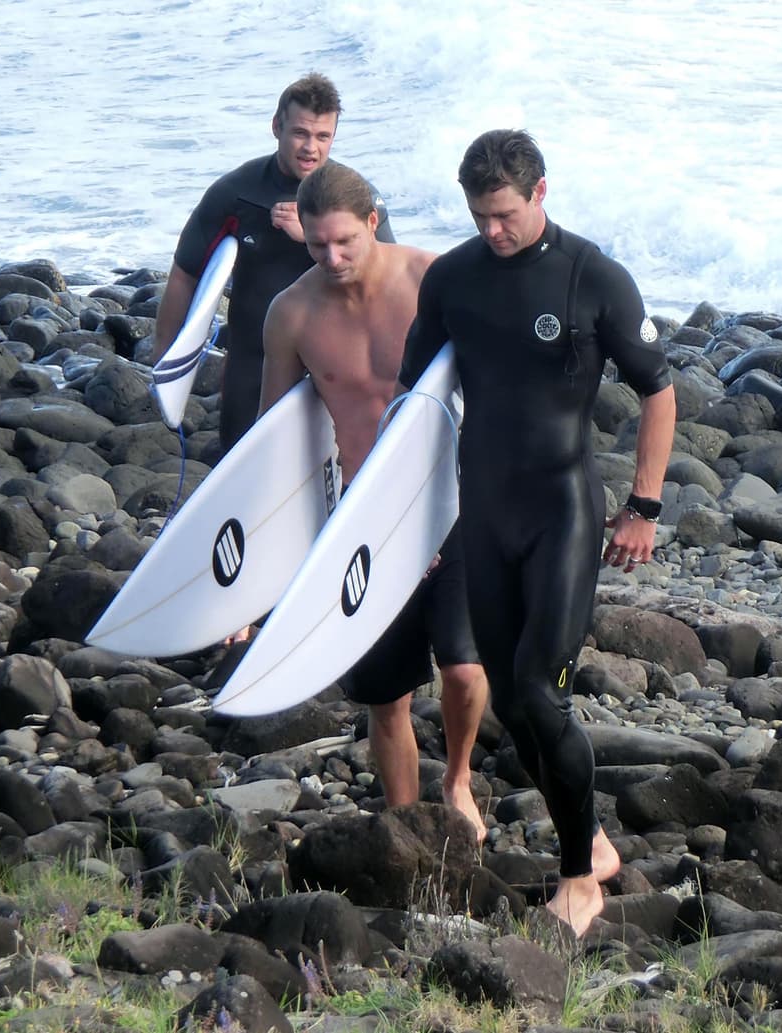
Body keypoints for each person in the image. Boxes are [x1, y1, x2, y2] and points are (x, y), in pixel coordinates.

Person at [399, 130, 677, 935]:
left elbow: (658, 392)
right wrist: (406, 524)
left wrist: (645, 507)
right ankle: (588, 834)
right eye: (481, 215)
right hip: (482, 512)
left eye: (506, 214)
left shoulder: (592, 277)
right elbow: (414, 405)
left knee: (534, 690)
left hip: (563, 509)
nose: (493, 229)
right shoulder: (452, 279)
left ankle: (577, 877)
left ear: (541, 192)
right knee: (515, 708)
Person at [257, 160, 489, 842]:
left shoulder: (432, 280)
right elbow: (278, 438)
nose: (330, 257)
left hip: (451, 503)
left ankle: (459, 775)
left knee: (465, 668)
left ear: (373, 223)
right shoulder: (292, 314)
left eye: (344, 242)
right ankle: (405, 827)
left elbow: (497, 384)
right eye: (316, 245)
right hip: (363, 521)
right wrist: (273, 570)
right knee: (386, 696)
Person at [150, 73, 394, 453]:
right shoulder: (237, 194)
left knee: (333, 474)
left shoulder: (356, 198)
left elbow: (388, 279)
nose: (310, 148)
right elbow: (185, 274)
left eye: (323, 137)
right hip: (253, 361)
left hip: (337, 362)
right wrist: (164, 363)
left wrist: (311, 236)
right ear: (277, 126)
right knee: (241, 465)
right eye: (300, 133)